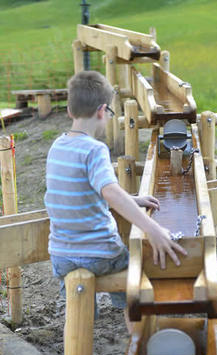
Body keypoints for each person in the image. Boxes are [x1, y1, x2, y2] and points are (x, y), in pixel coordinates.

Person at [44, 70, 186, 330]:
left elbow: (83, 194)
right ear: (102, 111)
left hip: (61, 255)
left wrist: (133, 199)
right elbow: (109, 191)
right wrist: (151, 228)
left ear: (69, 110)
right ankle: (138, 339)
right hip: (100, 254)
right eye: (110, 113)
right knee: (136, 273)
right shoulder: (95, 149)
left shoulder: (57, 147)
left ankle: (79, 331)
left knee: (77, 302)